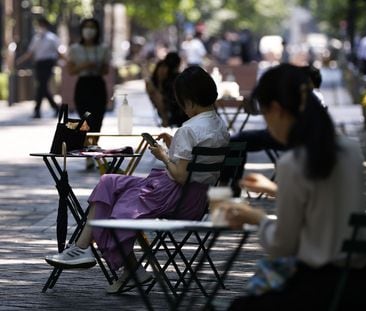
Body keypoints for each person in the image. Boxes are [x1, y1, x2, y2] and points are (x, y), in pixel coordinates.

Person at [44, 66, 230, 293]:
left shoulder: (189, 130)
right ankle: (84, 248)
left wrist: (162, 155)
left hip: (176, 196)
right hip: (199, 199)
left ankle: (115, 261)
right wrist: (174, 148)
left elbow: (180, 176)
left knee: (120, 204)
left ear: (189, 101)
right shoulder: (220, 127)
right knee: (109, 181)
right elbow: (195, 166)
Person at [220, 64, 366, 310]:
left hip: (320, 290)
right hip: (364, 287)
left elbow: (283, 244)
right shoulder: (350, 150)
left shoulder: (293, 163)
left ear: (276, 110)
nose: (268, 126)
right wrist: (276, 190)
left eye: (265, 115)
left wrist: (257, 218)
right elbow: (325, 202)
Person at [220, 65, 323, 197]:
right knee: (239, 141)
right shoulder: (315, 97)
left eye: (266, 112)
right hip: (299, 139)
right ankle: (233, 183)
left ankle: (229, 183)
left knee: (236, 141)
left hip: (291, 138)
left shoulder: (307, 96)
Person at [66, 18, 110, 135]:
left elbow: (106, 70)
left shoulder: (103, 48)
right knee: (85, 119)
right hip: (83, 85)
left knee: (97, 119)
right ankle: (85, 146)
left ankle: (93, 145)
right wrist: (84, 66)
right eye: (86, 27)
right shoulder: (74, 49)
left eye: (92, 27)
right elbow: (70, 70)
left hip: (98, 85)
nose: (89, 30)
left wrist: (97, 67)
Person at [16, 16, 61, 119]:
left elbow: (59, 52)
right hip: (39, 64)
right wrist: (20, 60)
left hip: (48, 64)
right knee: (42, 87)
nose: (40, 27)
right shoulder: (36, 38)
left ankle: (37, 111)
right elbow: (30, 52)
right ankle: (55, 108)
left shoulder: (52, 38)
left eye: (41, 25)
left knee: (42, 86)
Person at [145, 52, 188, 127]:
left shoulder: (174, 80)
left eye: (166, 67)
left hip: (177, 115)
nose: (163, 71)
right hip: (171, 115)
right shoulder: (157, 83)